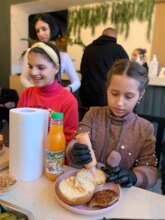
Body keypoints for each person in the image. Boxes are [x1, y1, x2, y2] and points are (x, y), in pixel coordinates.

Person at [66, 59, 157, 189]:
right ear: (107, 89)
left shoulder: (145, 129)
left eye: (129, 96)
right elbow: (75, 142)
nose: (119, 102)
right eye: (114, 94)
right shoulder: (93, 115)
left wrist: (135, 176)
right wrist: (74, 151)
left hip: (122, 195)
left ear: (140, 95)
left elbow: (151, 169)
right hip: (87, 186)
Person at [18, 42, 78, 144]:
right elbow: (19, 129)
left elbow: (68, 140)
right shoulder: (26, 94)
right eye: (30, 66)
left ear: (56, 68)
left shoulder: (68, 101)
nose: (33, 72)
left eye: (41, 67)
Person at [21, 13, 80, 93]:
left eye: (44, 29)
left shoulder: (63, 56)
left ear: (52, 29)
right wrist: (37, 91)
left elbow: (76, 82)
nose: (40, 34)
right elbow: (23, 78)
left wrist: (65, 90)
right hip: (34, 98)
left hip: (55, 98)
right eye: (38, 31)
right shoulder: (30, 52)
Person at [80, 27, 129, 110]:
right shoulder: (117, 48)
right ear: (115, 38)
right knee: (104, 120)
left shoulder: (88, 48)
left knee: (88, 119)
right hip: (103, 95)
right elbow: (127, 67)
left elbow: (82, 69)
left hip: (85, 94)